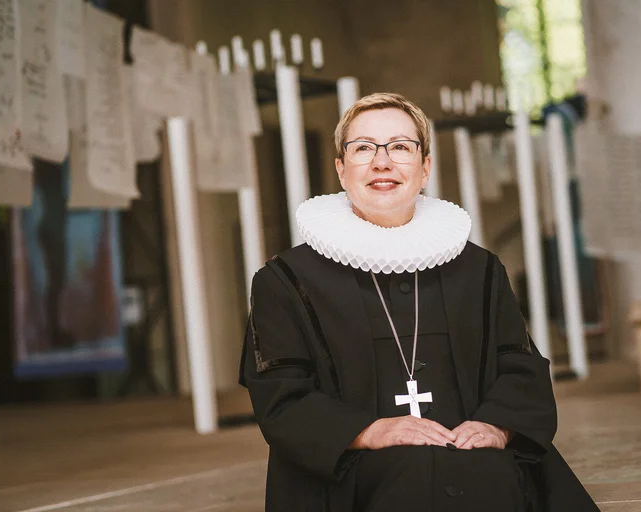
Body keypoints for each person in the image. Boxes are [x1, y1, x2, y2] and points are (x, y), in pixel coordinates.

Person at [239, 92, 599, 511]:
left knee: (495, 479)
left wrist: (498, 427)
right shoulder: (285, 281)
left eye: (400, 147)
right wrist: (370, 432)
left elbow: (519, 365)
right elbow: (280, 396)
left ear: (425, 167)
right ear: (341, 169)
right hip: (350, 474)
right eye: (363, 148)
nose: (382, 161)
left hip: (475, 459)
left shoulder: (478, 269)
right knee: (408, 480)